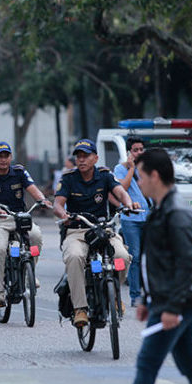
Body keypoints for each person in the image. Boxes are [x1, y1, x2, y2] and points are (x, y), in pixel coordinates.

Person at [115, 148, 192, 384]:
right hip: (167, 300)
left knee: (147, 363)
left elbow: (189, 265)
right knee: (191, 366)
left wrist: (172, 307)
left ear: (155, 176)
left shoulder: (177, 213)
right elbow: (156, 263)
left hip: (176, 302)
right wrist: (147, 300)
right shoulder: (161, 209)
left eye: (141, 176)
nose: (138, 183)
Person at [53, 138, 137, 327]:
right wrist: (63, 214)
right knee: (74, 257)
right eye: (78, 157)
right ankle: (80, 308)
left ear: (96, 158)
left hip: (103, 229)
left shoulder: (105, 175)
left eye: (86, 156)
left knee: (122, 257)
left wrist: (129, 203)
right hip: (77, 231)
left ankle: (114, 296)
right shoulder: (68, 178)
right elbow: (57, 203)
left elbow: (120, 192)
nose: (81, 160)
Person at [0, 142, 52, 306]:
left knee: (36, 236)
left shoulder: (19, 172)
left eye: (6, 156)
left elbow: (33, 188)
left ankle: (30, 274)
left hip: (20, 218)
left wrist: (42, 200)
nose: (3, 160)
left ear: (10, 157)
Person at [114, 137, 150, 307]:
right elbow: (123, 189)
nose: (139, 152)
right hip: (131, 220)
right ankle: (135, 296)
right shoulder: (120, 169)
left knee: (149, 257)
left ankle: (150, 294)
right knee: (134, 257)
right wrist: (131, 169)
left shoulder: (148, 169)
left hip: (148, 217)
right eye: (135, 150)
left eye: (141, 149)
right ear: (129, 152)